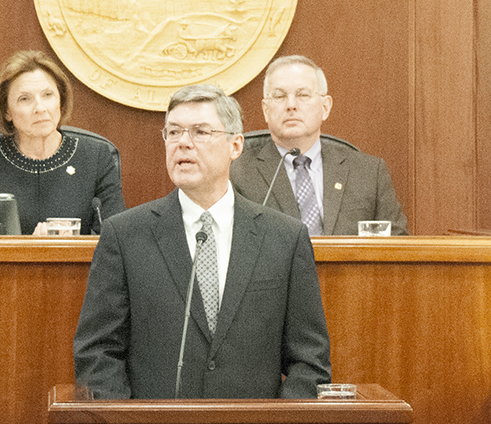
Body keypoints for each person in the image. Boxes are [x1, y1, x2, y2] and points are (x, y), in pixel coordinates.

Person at [73, 84, 331, 399]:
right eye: (174, 132)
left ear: (235, 145)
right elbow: (97, 352)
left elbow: (310, 360)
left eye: (200, 132)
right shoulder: (125, 235)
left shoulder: (284, 237)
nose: (183, 144)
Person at [230, 55, 408, 236]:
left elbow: (397, 248)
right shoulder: (237, 173)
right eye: (279, 96)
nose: (291, 105)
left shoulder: (367, 173)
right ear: (265, 110)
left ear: (325, 107)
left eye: (303, 95)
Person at [0, 50, 126, 234]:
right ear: (7, 111)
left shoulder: (96, 156)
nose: (40, 108)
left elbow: (117, 240)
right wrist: (32, 250)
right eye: (25, 99)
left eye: (48, 95)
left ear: (61, 100)